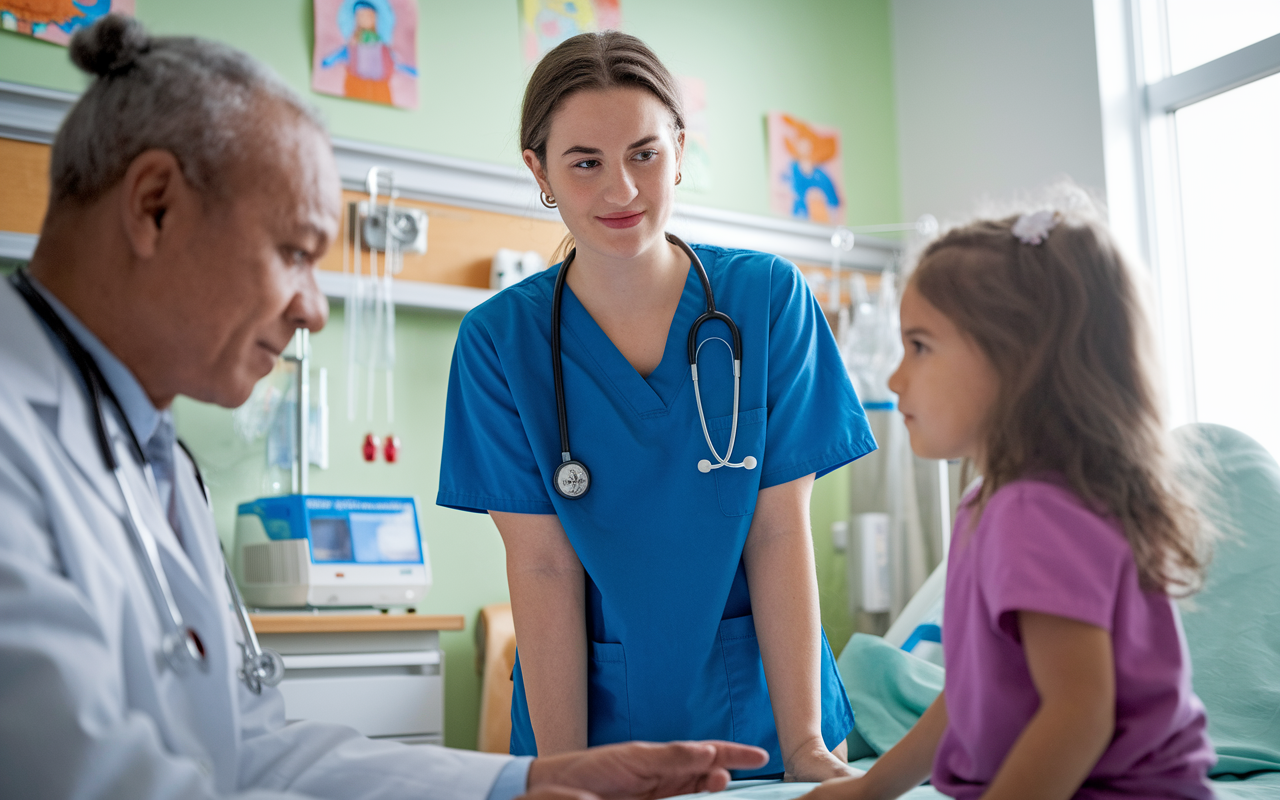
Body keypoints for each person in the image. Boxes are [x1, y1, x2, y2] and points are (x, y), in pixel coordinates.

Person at [0, 15, 769, 800]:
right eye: (296, 253)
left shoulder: (150, 455)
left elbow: (248, 749)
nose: (313, 310)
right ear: (155, 205)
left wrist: (526, 784)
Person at [437, 31, 875, 781]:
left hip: (771, 716)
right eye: (585, 163)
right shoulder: (497, 344)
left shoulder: (768, 301)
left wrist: (804, 744)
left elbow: (778, 532)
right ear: (538, 170)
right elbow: (541, 566)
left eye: (644, 153)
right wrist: (568, 771)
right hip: (590, 724)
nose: (622, 191)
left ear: (678, 147)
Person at [802, 204, 1217, 800]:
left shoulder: (1036, 511)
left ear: (1016, 362)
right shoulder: (992, 502)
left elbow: (1077, 716)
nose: (894, 379)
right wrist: (870, 790)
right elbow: (968, 695)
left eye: (919, 346)